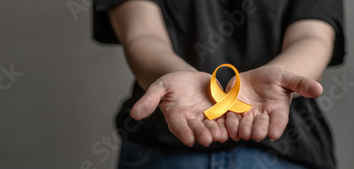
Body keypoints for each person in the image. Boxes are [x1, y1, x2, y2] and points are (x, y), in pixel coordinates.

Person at [93, 0, 345, 168]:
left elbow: (313, 36)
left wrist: (282, 76)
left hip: (287, 151)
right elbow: (141, 34)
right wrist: (173, 74)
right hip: (163, 150)